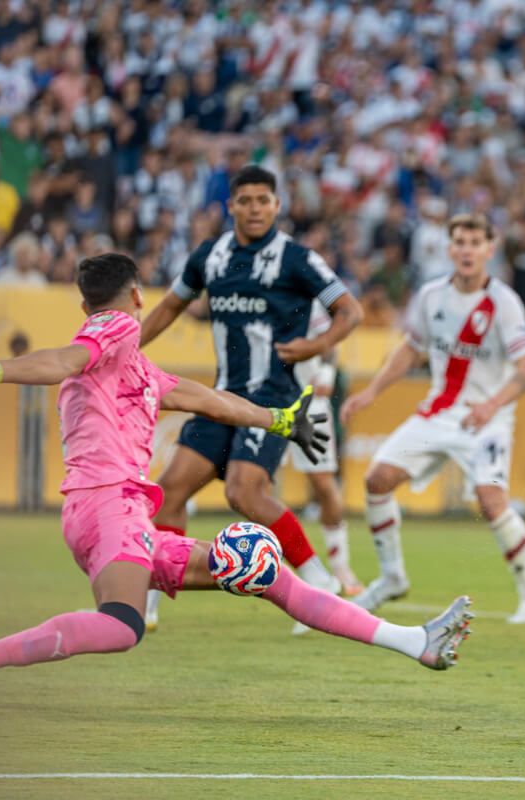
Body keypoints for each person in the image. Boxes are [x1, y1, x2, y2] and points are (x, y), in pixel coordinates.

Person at [0, 254, 471, 712]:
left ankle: (414, 639)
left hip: (121, 516)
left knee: (261, 570)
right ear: (136, 294)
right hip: (107, 508)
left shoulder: (136, 368)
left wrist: (280, 420)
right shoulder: (115, 330)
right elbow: (65, 361)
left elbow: (209, 400)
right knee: (121, 626)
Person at [139, 166, 363, 633]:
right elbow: (169, 306)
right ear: (231, 206)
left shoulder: (297, 258)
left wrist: (315, 347)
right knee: (169, 491)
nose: (255, 208)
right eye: (246, 200)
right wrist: (122, 348)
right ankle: (151, 597)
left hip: (275, 398)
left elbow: (350, 310)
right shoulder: (211, 255)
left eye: (264, 200)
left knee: (244, 492)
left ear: (277, 206)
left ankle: (319, 579)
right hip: (221, 397)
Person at [341, 213, 525, 624]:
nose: (467, 250)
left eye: (476, 242)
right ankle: (391, 578)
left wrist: (491, 406)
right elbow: (409, 350)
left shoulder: (504, 303)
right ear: (449, 248)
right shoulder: (430, 295)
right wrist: (370, 392)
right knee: (377, 479)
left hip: (486, 420)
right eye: (460, 242)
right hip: (437, 414)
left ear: (489, 250)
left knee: (492, 502)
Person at [288, 300, 364, 609]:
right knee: (251, 485)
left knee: (323, 484)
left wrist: (326, 377)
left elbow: (330, 342)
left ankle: (340, 568)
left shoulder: (303, 294)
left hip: (307, 401)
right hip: (264, 398)